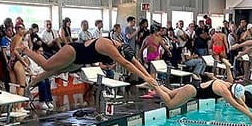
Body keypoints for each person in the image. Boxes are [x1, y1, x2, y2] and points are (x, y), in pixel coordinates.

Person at [153, 59, 252, 126]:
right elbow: (236, 105)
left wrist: (251, 115)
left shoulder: (228, 84)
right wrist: (251, 116)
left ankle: (152, 84)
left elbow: (240, 102)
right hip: (191, 91)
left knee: (169, 93)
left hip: (193, 86)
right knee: (170, 104)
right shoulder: (224, 90)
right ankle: (153, 84)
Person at [21, 37, 156, 86]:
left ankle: (32, 82)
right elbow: (125, 63)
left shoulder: (123, 48)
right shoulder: (108, 45)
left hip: (79, 61)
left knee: (55, 71)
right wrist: (145, 78)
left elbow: (134, 61)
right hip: (73, 51)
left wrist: (149, 77)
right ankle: (26, 50)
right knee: (46, 65)